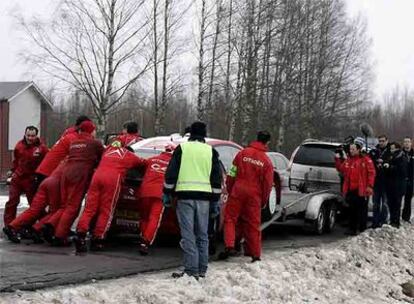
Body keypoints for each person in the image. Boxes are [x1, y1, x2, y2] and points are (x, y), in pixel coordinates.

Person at [163, 122, 222, 279]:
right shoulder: (211, 152)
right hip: (204, 199)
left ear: (190, 134)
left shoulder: (182, 149)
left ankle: (190, 269)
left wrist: (167, 193)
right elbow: (216, 179)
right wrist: (215, 201)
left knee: (188, 235)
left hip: (185, 197)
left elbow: (171, 173)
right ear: (204, 135)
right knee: (202, 234)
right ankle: (202, 269)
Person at [75, 139, 146, 254]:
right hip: (112, 179)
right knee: (106, 210)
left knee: (89, 208)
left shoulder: (109, 150)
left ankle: (80, 234)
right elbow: (144, 164)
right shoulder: (130, 156)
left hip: (97, 176)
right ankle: (98, 238)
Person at [219, 131, 273, 262]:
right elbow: (267, 184)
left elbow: (232, 173)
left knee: (230, 218)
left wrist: (231, 189)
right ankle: (255, 254)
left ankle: (229, 245)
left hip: (238, 190)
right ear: (267, 142)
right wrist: (263, 200)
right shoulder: (266, 161)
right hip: (254, 195)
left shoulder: (242, 154)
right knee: (253, 224)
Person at [47, 120, 104, 245]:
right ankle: (60, 236)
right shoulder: (95, 143)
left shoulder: (74, 142)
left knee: (64, 205)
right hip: (79, 175)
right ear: (91, 130)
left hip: (66, 173)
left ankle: (50, 224)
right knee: (72, 207)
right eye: (94, 130)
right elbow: (104, 158)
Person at [3, 163, 64, 244]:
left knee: (34, 209)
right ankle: (39, 228)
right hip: (52, 181)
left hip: (43, 180)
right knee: (57, 210)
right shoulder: (72, 159)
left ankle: (12, 226)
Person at [3, 126, 48, 227]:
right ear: (25, 134)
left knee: (35, 204)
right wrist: (12, 170)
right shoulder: (19, 146)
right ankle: (9, 225)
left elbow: (47, 161)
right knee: (12, 202)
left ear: (36, 136)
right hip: (18, 178)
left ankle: (43, 224)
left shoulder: (42, 148)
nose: (30, 138)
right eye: (28, 135)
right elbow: (16, 161)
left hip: (31, 180)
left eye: (33, 136)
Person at [137, 143, 175, 255]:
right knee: (154, 218)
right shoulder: (174, 164)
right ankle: (146, 241)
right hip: (160, 194)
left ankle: (143, 237)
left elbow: (140, 163)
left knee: (144, 217)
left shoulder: (153, 159)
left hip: (145, 191)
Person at [336, 141, 376, 235]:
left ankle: (362, 229)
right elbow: (341, 169)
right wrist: (337, 160)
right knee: (352, 209)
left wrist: (370, 186)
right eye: (350, 149)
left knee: (362, 210)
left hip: (362, 189)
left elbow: (372, 173)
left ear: (358, 150)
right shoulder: (349, 160)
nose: (351, 151)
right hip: (351, 189)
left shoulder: (366, 160)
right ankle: (352, 228)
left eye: (353, 149)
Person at [384, 142, 408, 228]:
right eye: (391, 148)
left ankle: (396, 222)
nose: (391, 150)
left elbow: (402, 170)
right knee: (390, 203)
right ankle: (392, 220)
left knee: (397, 204)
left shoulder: (402, 157)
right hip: (390, 184)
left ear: (397, 148)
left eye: (393, 148)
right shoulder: (391, 156)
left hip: (398, 185)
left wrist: (390, 167)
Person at [369, 135, 391, 228]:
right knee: (375, 204)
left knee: (385, 203)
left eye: (383, 141)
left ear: (387, 141)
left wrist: (385, 161)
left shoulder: (390, 151)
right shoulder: (374, 151)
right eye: (380, 141)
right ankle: (375, 222)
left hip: (387, 182)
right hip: (376, 182)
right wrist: (375, 162)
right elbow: (369, 162)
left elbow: (393, 162)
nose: (381, 143)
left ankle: (383, 221)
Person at [402, 137, 414, 222]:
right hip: (401, 180)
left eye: (408, 142)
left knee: (408, 200)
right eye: (405, 142)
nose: (406, 143)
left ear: (411, 143)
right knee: (398, 199)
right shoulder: (400, 153)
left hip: (411, 179)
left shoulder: (413, 153)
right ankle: (395, 218)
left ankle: (406, 217)